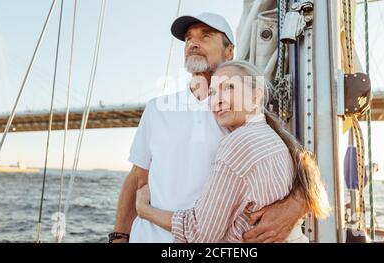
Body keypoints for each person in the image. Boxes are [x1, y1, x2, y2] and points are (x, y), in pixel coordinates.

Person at [110, 13, 308, 243]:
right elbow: (138, 178)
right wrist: (119, 236)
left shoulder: (238, 113)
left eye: (205, 36)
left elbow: (296, 163)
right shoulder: (156, 109)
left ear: (229, 51)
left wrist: (296, 205)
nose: (193, 43)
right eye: (188, 38)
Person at [135, 60, 330, 242]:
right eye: (212, 93)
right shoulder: (272, 137)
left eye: (229, 87)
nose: (217, 101)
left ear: (256, 95)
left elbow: (200, 234)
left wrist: (145, 210)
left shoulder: (238, 144)